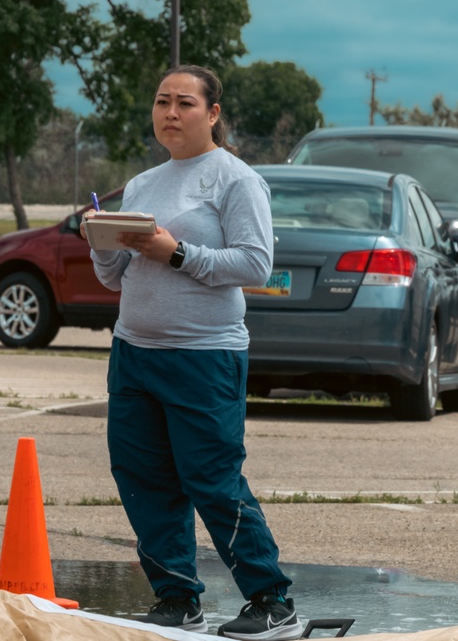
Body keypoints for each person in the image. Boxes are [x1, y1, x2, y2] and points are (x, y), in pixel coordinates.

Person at [80, 64, 301, 640]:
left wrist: (175, 252)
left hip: (203, 356)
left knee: (212, 480)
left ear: (213, 114)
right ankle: (177, 599)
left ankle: (271, 600)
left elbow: (255, 265)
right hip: (134, 352)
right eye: (161, 102)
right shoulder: (145, 183)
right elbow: (114, 278)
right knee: (144, 478)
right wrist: (100, 238)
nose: (171, 113)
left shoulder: (235, 180)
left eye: (184, 103)